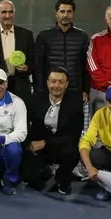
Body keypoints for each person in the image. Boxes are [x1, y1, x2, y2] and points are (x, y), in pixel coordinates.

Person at [22, 66, 84, 195]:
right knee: (27, 177)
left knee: (74, 151)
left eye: (61, 82)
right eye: (53, 81)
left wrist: (46, 142)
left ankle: (62, 176)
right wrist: (29, 144)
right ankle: (45, 170)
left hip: (62, 145)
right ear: (47, 83)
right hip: (39, 145)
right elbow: (25, 125)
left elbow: (74, 135)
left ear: (66, 84)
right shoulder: (36, 100)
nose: (56, 85)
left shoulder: (75, 104)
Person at [33, 0, 90, 102]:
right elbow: (38, 67)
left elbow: (86, 66)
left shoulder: (82, 36)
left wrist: (86, 90)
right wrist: (39, 91)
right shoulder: (44, 36)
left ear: (73, 14)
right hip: (50, 91)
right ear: (56, 13)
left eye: (69, 12)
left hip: (75, 90)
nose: (65, 15)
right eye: (62, 11)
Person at [0, 0, 35, 103]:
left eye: (10, 12)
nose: (7, 15)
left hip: (20, 86)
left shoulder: (26, 35)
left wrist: (27, 67)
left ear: (14, 13)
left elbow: (33, 60)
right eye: (4, 12)